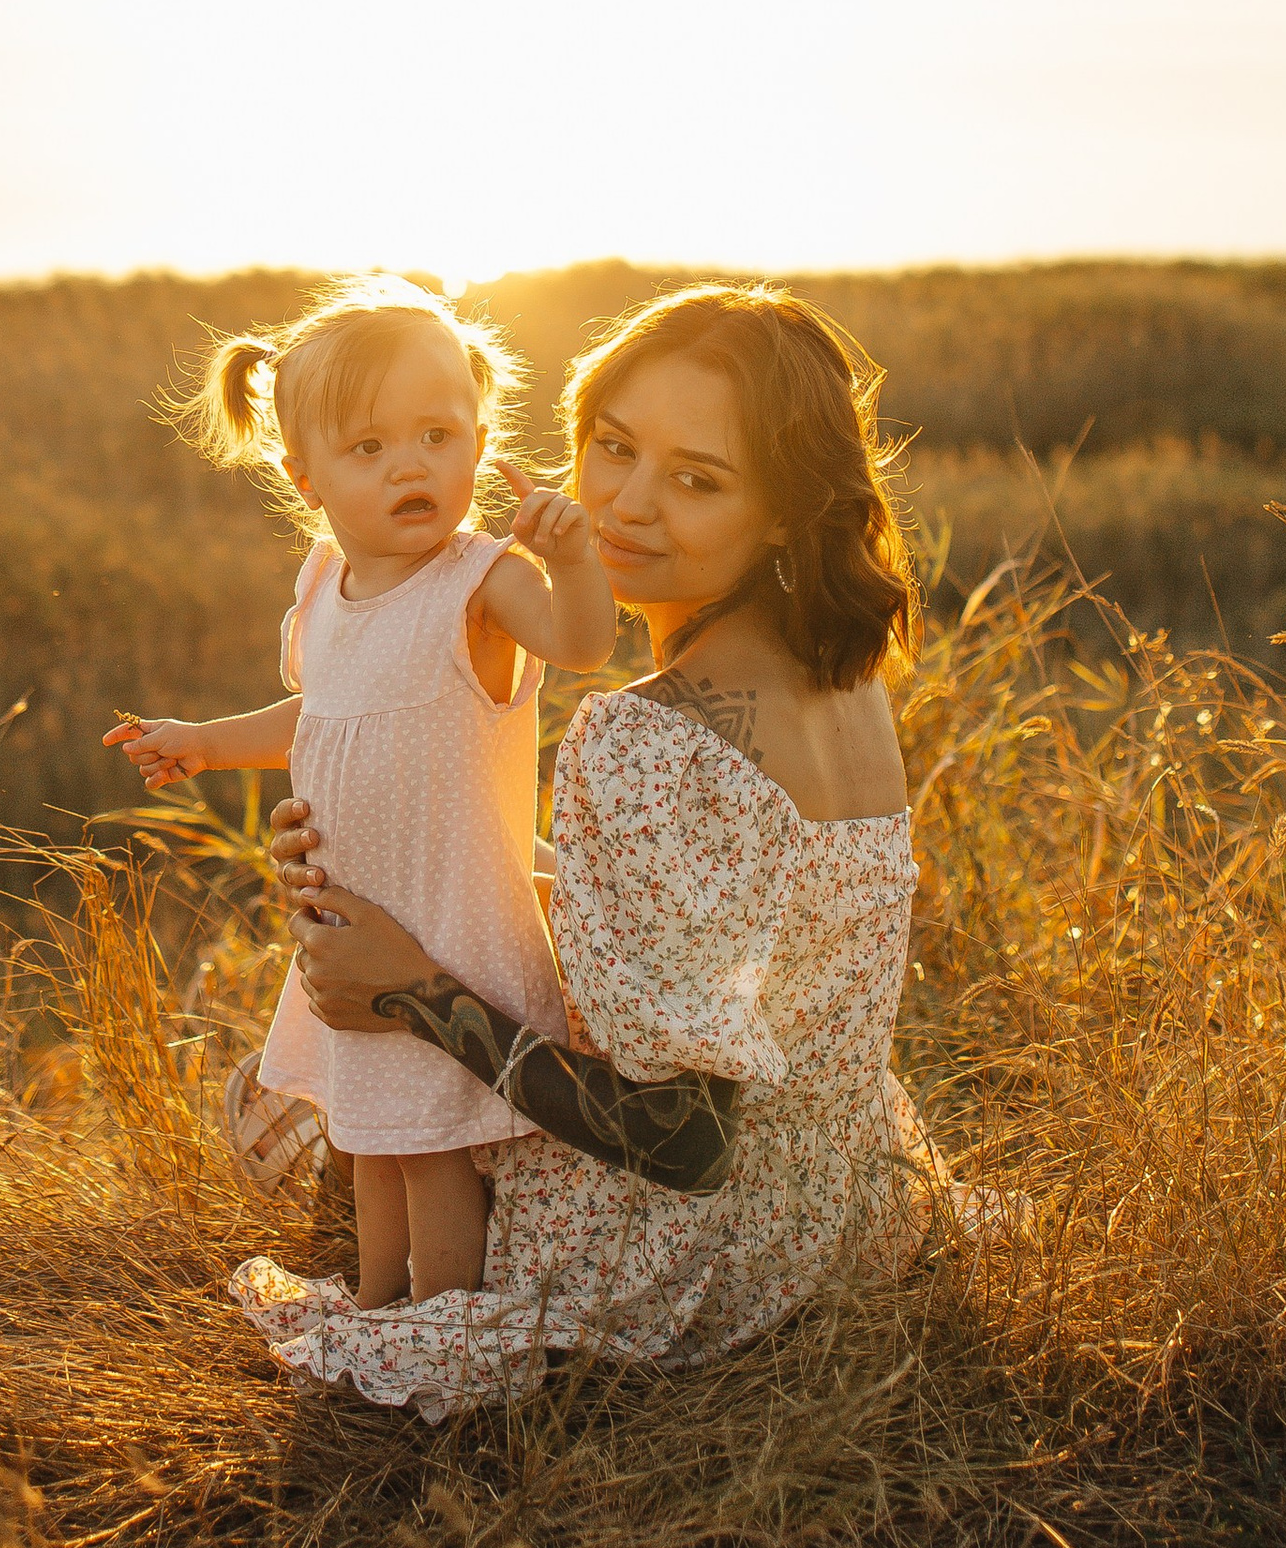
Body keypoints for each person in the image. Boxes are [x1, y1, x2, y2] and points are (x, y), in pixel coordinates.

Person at [232, 283, 937, 1417]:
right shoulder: (846, 676)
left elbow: (684, 1140)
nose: (625, 504)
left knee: (320, 1085)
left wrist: (408, 990)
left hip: (682, 1270)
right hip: (835, 1215)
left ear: (781, 513)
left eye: (696, 478)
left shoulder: (641, 734)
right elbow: (711, 924)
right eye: (612, 448)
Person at [106, 277, 615, 1311]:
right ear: (308, 478)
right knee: (371, 1145)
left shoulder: (482, 580)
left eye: (437, 434)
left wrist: (573, 558)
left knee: (432, 1156)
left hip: (441, 932)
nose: (411, 465)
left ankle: (450, 1340)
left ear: (479, 439)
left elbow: (582, 642)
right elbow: (323, 719)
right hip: (353, 927)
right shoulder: (323, 586)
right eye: (370, 449)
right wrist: (202, 742)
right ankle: (379, 1322)